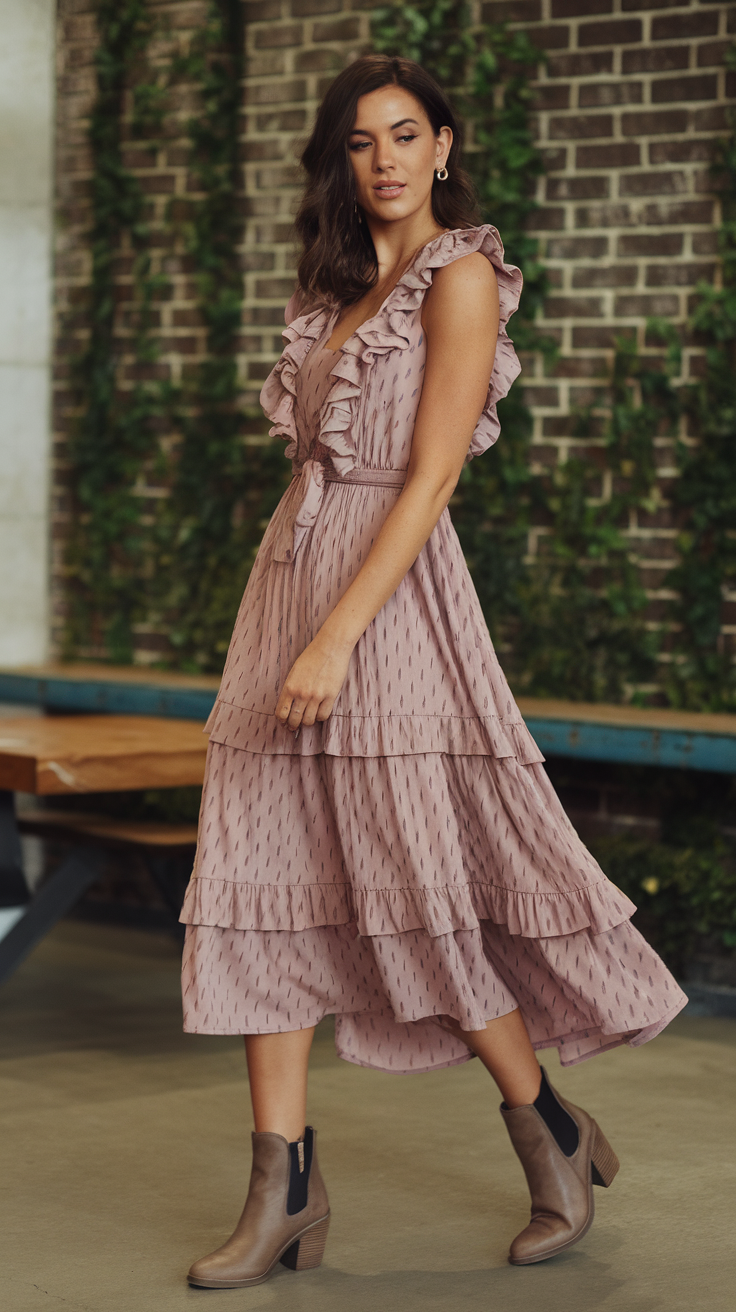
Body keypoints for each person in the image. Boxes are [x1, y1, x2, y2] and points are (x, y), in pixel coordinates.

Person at [179, 54, 687, 1289]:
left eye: (407, 134)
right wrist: (295, 623)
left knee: (416, 880)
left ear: (444, 145)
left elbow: (434, 477)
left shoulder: (462, 279)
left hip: (386, 606)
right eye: (361, 142)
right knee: (254, 876)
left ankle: (549, 1129)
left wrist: (340, 632)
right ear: (342, 164)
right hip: (287, 590)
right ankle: (282, 1189)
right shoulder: (339, 289)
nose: (387, 159)